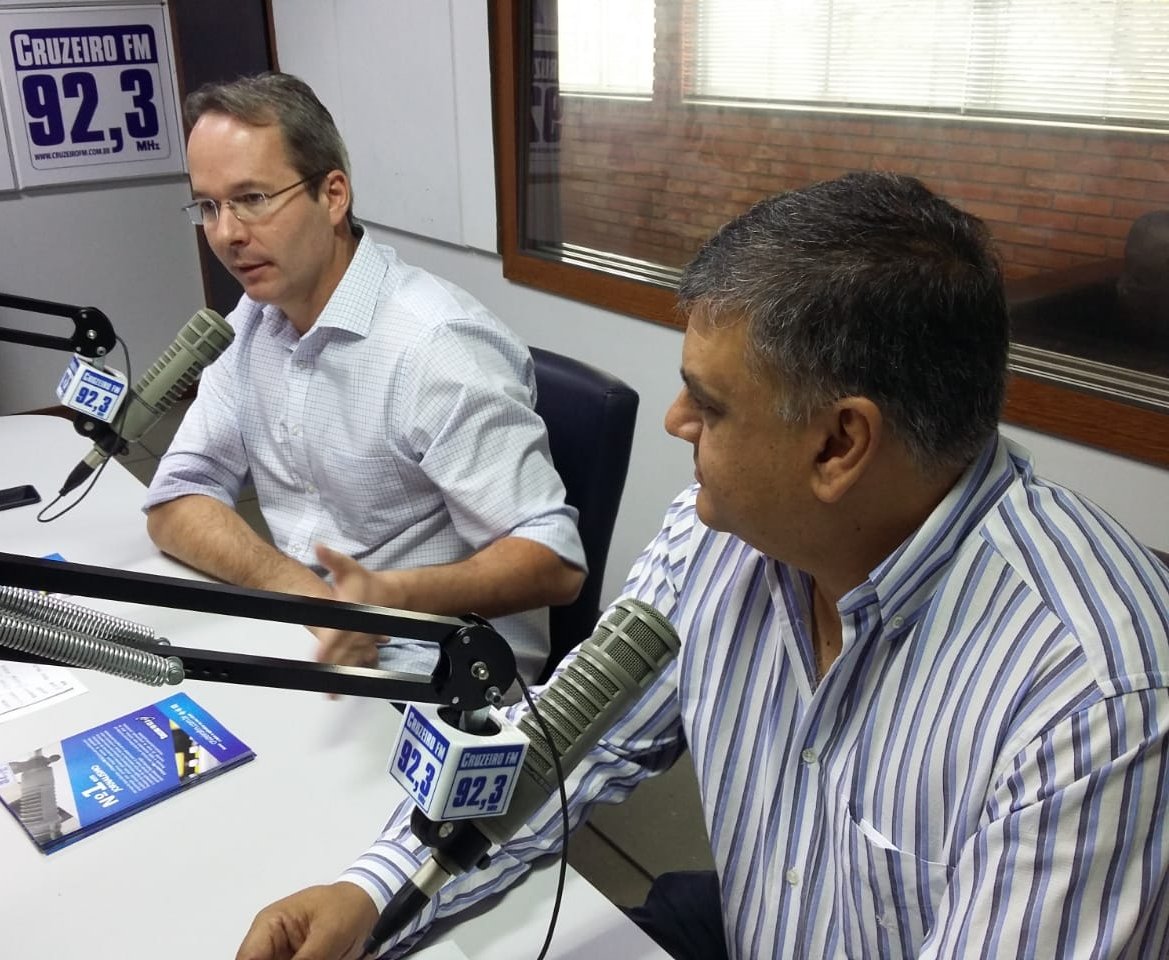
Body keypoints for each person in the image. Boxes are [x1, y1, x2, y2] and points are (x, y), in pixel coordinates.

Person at [233, 172, 1169, 960]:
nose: (675, 423)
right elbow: (568, 743)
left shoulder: (1092, 698)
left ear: (839, 444)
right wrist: (374, 893)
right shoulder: (717, 537)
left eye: (709, 406)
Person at [144, 73, 585, 683]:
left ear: (332, 196)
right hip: (311, 633)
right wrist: (307, 595)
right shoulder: (251, 321)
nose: (227, 234)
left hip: (439, 668)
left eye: (253, 198)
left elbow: (555, 560)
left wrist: (385, 598)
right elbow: (174, 500)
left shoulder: (436, 346)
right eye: (209, 207)